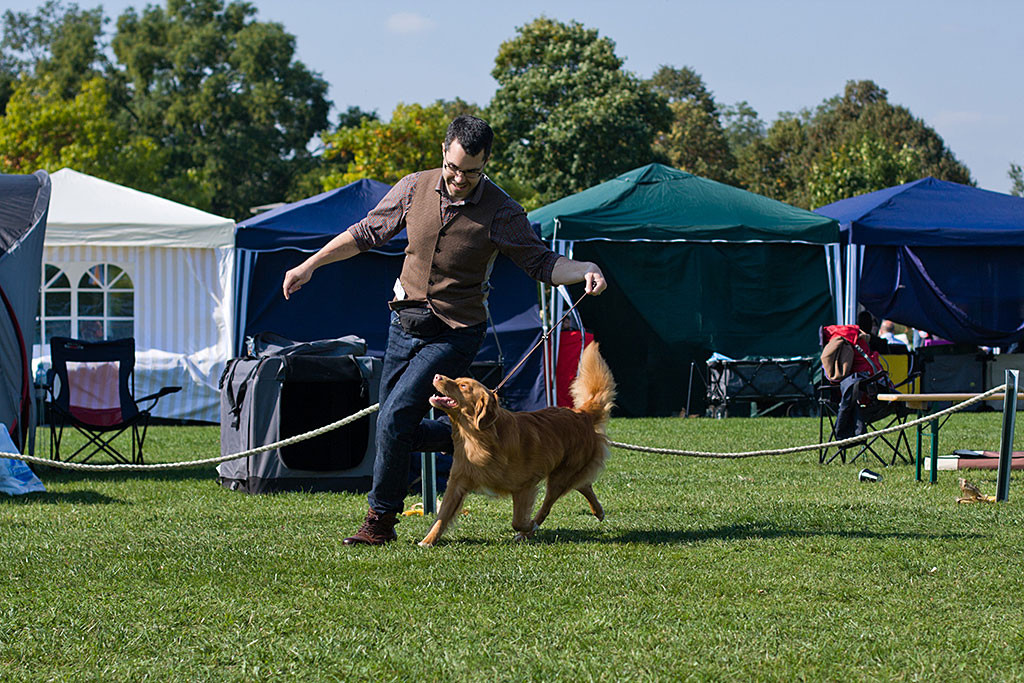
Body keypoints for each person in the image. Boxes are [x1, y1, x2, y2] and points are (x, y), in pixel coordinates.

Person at [281, 115, 607, 545]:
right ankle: (469, 432)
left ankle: (380, 521)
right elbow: (365, 233)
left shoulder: (502, 211)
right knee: (392, 424)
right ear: (443, 151)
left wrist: (584, 268)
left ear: (486, 162)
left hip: (457, 330)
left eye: (471, 172)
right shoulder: (414, 187)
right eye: (453, 168)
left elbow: (540, 262)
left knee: (395, 417)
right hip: (404, 323)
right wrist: (309, 265)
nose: (459, 178)